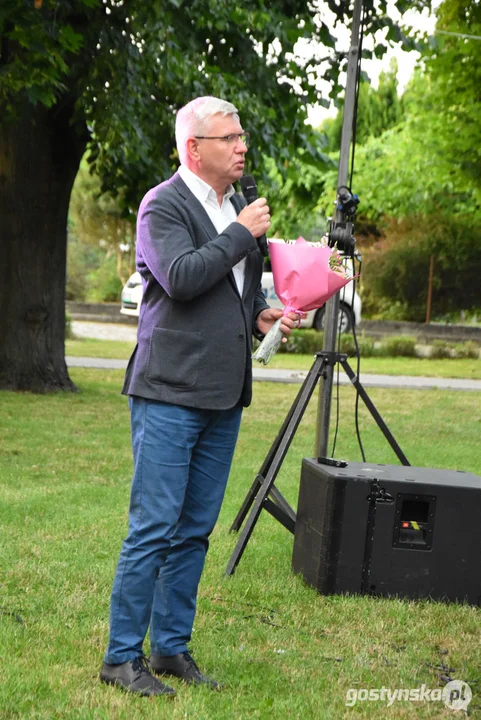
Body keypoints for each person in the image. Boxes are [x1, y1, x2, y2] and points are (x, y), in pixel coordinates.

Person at [100, 96, 300, 697]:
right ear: (194, 148)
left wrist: (259, 314)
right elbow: (183, 277)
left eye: (242, 136)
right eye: (229, 137)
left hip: (221, 393)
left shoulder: (235, 204)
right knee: (154, 526)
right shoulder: (163, 204)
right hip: (168, 391)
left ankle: (170, 649)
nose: (242, 145)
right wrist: (241, 236)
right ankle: (119, 658)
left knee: (193, 529)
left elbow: (228, 290)